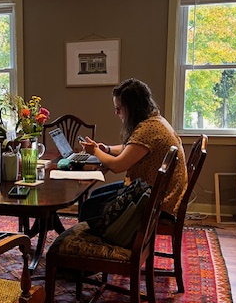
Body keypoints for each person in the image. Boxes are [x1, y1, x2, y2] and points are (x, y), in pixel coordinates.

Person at [78, 77, 188, 222]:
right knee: (96, 194)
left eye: (118, 108)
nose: (116, 113)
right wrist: (107, 149)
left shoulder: (147, 129)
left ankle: (104, 241)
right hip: (156, 192)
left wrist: (95, 152)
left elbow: (118, 166)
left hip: (157, 202)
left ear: (132, 107)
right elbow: (132, 149)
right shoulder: (155, 121)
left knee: (89, 208)